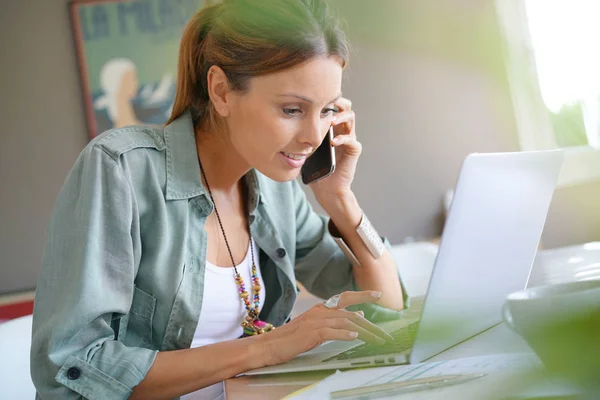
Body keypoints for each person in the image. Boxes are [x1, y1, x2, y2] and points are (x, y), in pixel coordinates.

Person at [30, 1, 406, 399]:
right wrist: (269, 347)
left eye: (328, 110)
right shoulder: (121, 170)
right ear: (222, 91)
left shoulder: (276, 185)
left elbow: (386, 306)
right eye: (292, 109)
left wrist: (339, 199)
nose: (314, 135)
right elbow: (74, 366)